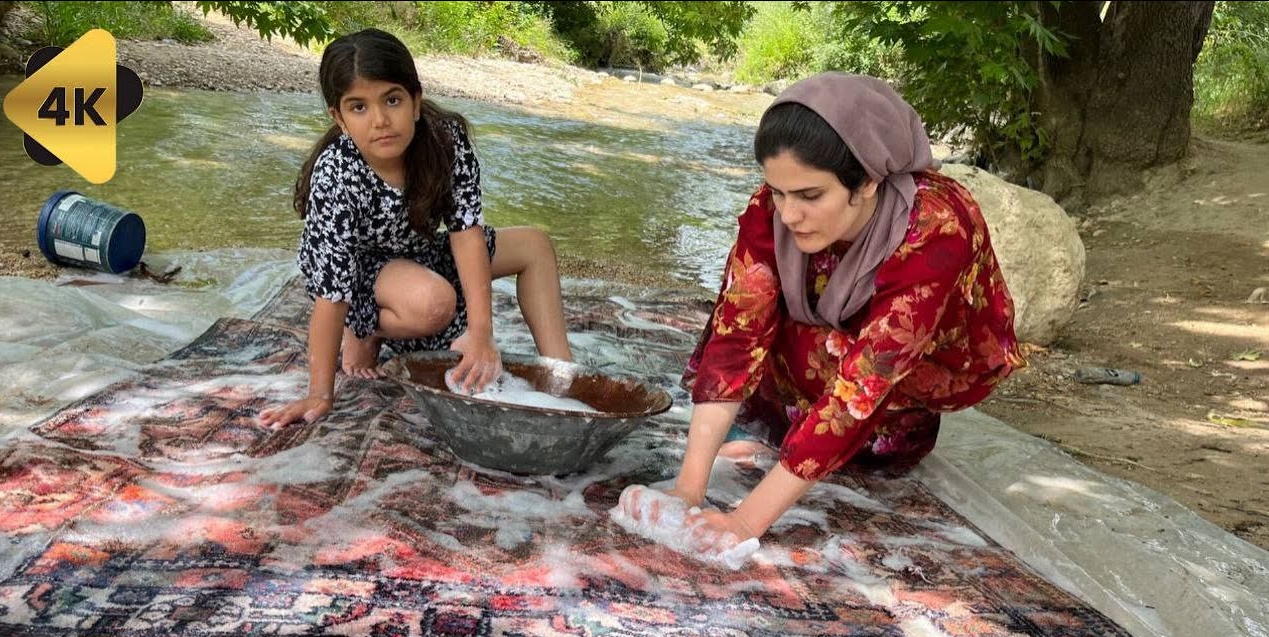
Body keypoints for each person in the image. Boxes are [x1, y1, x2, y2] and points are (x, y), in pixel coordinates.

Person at [616, 72, 1026, 561]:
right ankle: (784, 436)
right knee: (764, 318)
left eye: (810, 196)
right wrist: (688, 489)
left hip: (922, 370)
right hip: (834, 344)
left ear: (869, 180)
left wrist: (745, 521)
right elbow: (736, 333)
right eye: (778, 192)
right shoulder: (775, 208)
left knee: (853, 397)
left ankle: (829, 443)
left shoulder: (936, 230)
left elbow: (866, 382)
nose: (789, 216)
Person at [259, 29, 572, 430]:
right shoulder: (336, 174)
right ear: (338, 118)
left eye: (392, 100)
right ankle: (365, 330)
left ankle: (564, 377)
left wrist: (481, 334)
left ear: (416, 101)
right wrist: (320, 392)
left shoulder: (445, 140)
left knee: (534, 245)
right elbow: (331, 290)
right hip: (362, 269)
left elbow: (465, 232)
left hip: (421, 250)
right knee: (434, 303)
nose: (380, 120)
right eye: (358, 107)